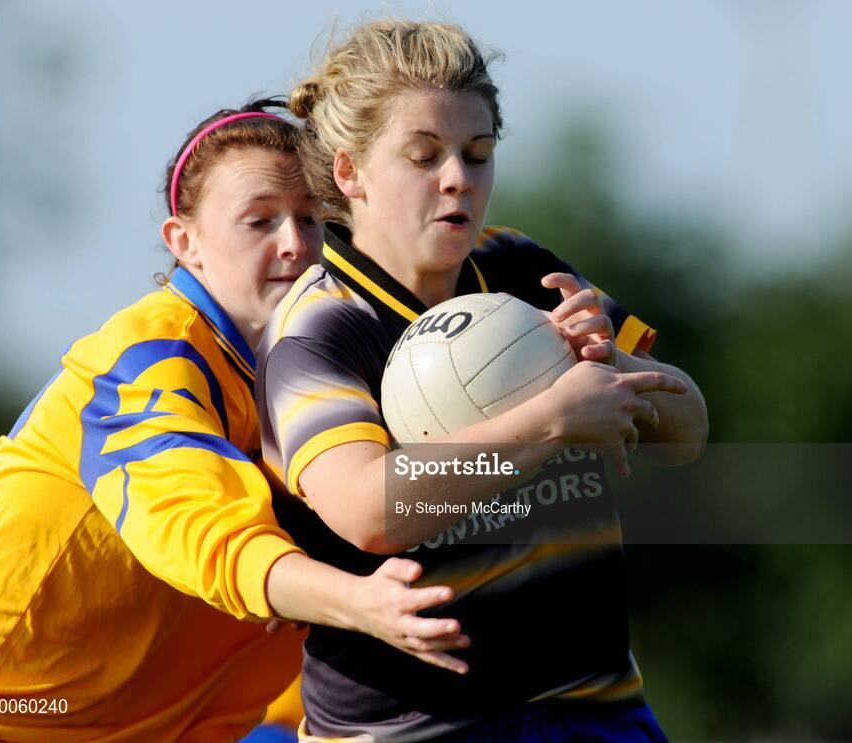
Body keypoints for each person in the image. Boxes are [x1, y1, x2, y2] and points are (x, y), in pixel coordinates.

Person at [0, 100, 469, 743]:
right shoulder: (149, 357)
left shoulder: (352, 358)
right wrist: (355, 601)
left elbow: (507, 497)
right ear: (186, 244)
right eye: (259, 221)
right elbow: (200, 528)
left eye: (313, 220)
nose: (295, 243)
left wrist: (568, 376)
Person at [258, 21, 709, 742]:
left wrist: (614, 369)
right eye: (423, 155)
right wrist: (548, 420)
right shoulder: (321, 325)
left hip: (594, 705)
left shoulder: (523, 270)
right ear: (349, 173)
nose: (456, 178)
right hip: (412, 728)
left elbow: (687, 432)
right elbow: (368, 510)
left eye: (477, 154)